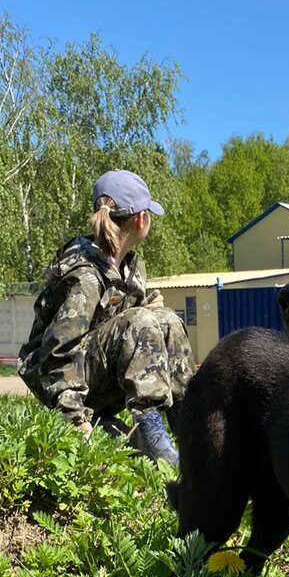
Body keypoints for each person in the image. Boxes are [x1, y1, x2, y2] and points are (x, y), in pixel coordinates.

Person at [18, 169, 195, 467]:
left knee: (166, 320)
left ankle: (192, 432)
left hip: (96, 377)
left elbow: (118, 325)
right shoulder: (85, 276)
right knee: (142, 322)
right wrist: (74, 417)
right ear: (141, 219)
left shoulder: (130, 268)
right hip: (62, 386)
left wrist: (150, 313)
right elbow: (55, 354)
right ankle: (155, 441)